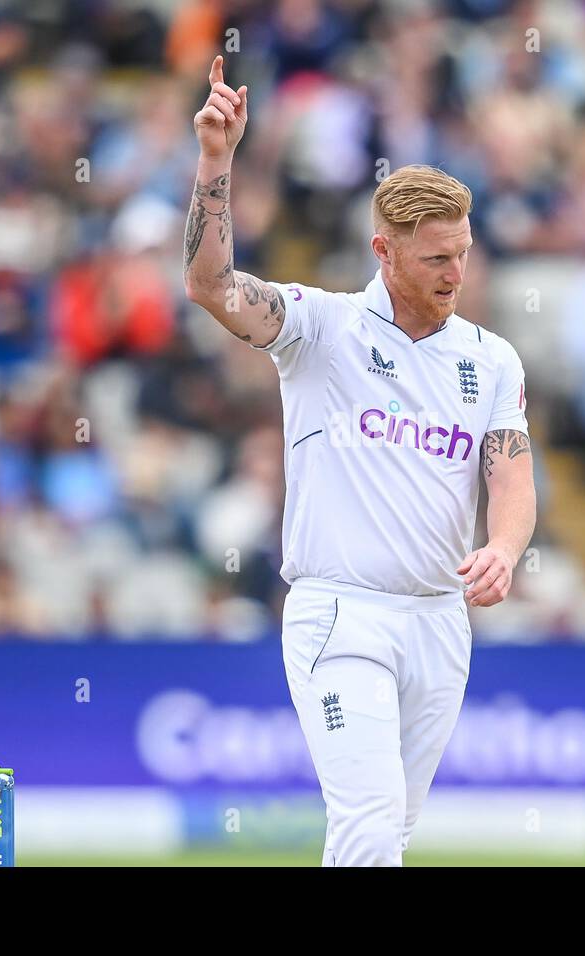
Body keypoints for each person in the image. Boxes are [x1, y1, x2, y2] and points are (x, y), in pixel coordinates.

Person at [183, 56, 536, 866]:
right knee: (370, 827)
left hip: (440, 623)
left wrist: (505, 548)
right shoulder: (323, 327)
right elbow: (209, 286)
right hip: (342, 613)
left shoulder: (492, 360)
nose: (455, 275)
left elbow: (510, 473)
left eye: (463, 254)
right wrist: (215, 162)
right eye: (435, 259)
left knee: (390, 837)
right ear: (384, 249)